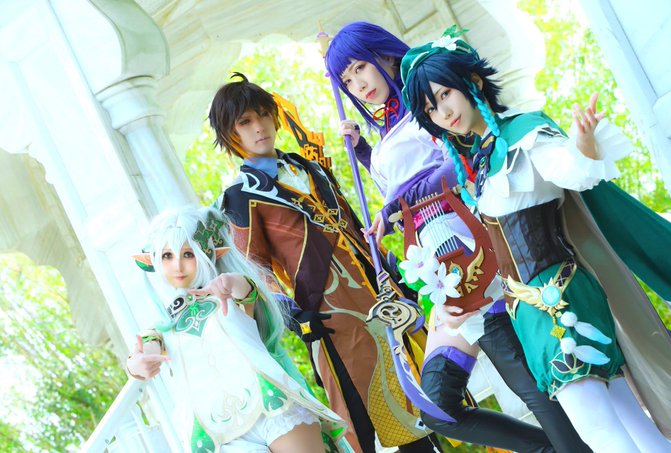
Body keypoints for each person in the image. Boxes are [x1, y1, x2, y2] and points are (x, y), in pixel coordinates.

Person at [401, 25, 671, 453]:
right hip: (531, 310)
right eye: (430, 108)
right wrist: (455, 304)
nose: (443, 111)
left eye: (445, 94)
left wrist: (583, 143)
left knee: (596, 429)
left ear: (472, 82)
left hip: (559, 298)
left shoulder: (524, 137)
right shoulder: (482, 161)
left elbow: (572, 170)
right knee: (628, 419)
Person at [325, 21, 590, 453]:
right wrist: (365, 154)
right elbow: (405, 182)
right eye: (347, 80)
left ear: (385, 55)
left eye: (360, 67)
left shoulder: (428, 106)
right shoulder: (388, 128)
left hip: (472, 252)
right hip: (439, 269)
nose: (358, 84)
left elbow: (459, 162)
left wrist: (397, 204)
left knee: (529, 385)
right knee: (437, 406)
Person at [208, 73, 441, 453]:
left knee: (421, 391)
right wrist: (289, 312)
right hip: (330, 316)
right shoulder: (240, 196)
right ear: (229, 134)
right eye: (245, 122)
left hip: (380, 294)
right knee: (365, 413)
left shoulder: (311, 166)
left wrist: (389, 268)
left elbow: (352, 223)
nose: (259, 127)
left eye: (263, 115)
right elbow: (254, 266)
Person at [125, 206, 351, 453]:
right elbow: (146, 352)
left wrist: (228, 283)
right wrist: (135, 365)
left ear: (208, 253)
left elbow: (243, 289)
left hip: (272, 405)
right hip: (219, 435)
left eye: (188, 254)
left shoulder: (229, 291)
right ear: (153, 261)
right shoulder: (162, 326)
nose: (177, 265)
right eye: (167, 256)